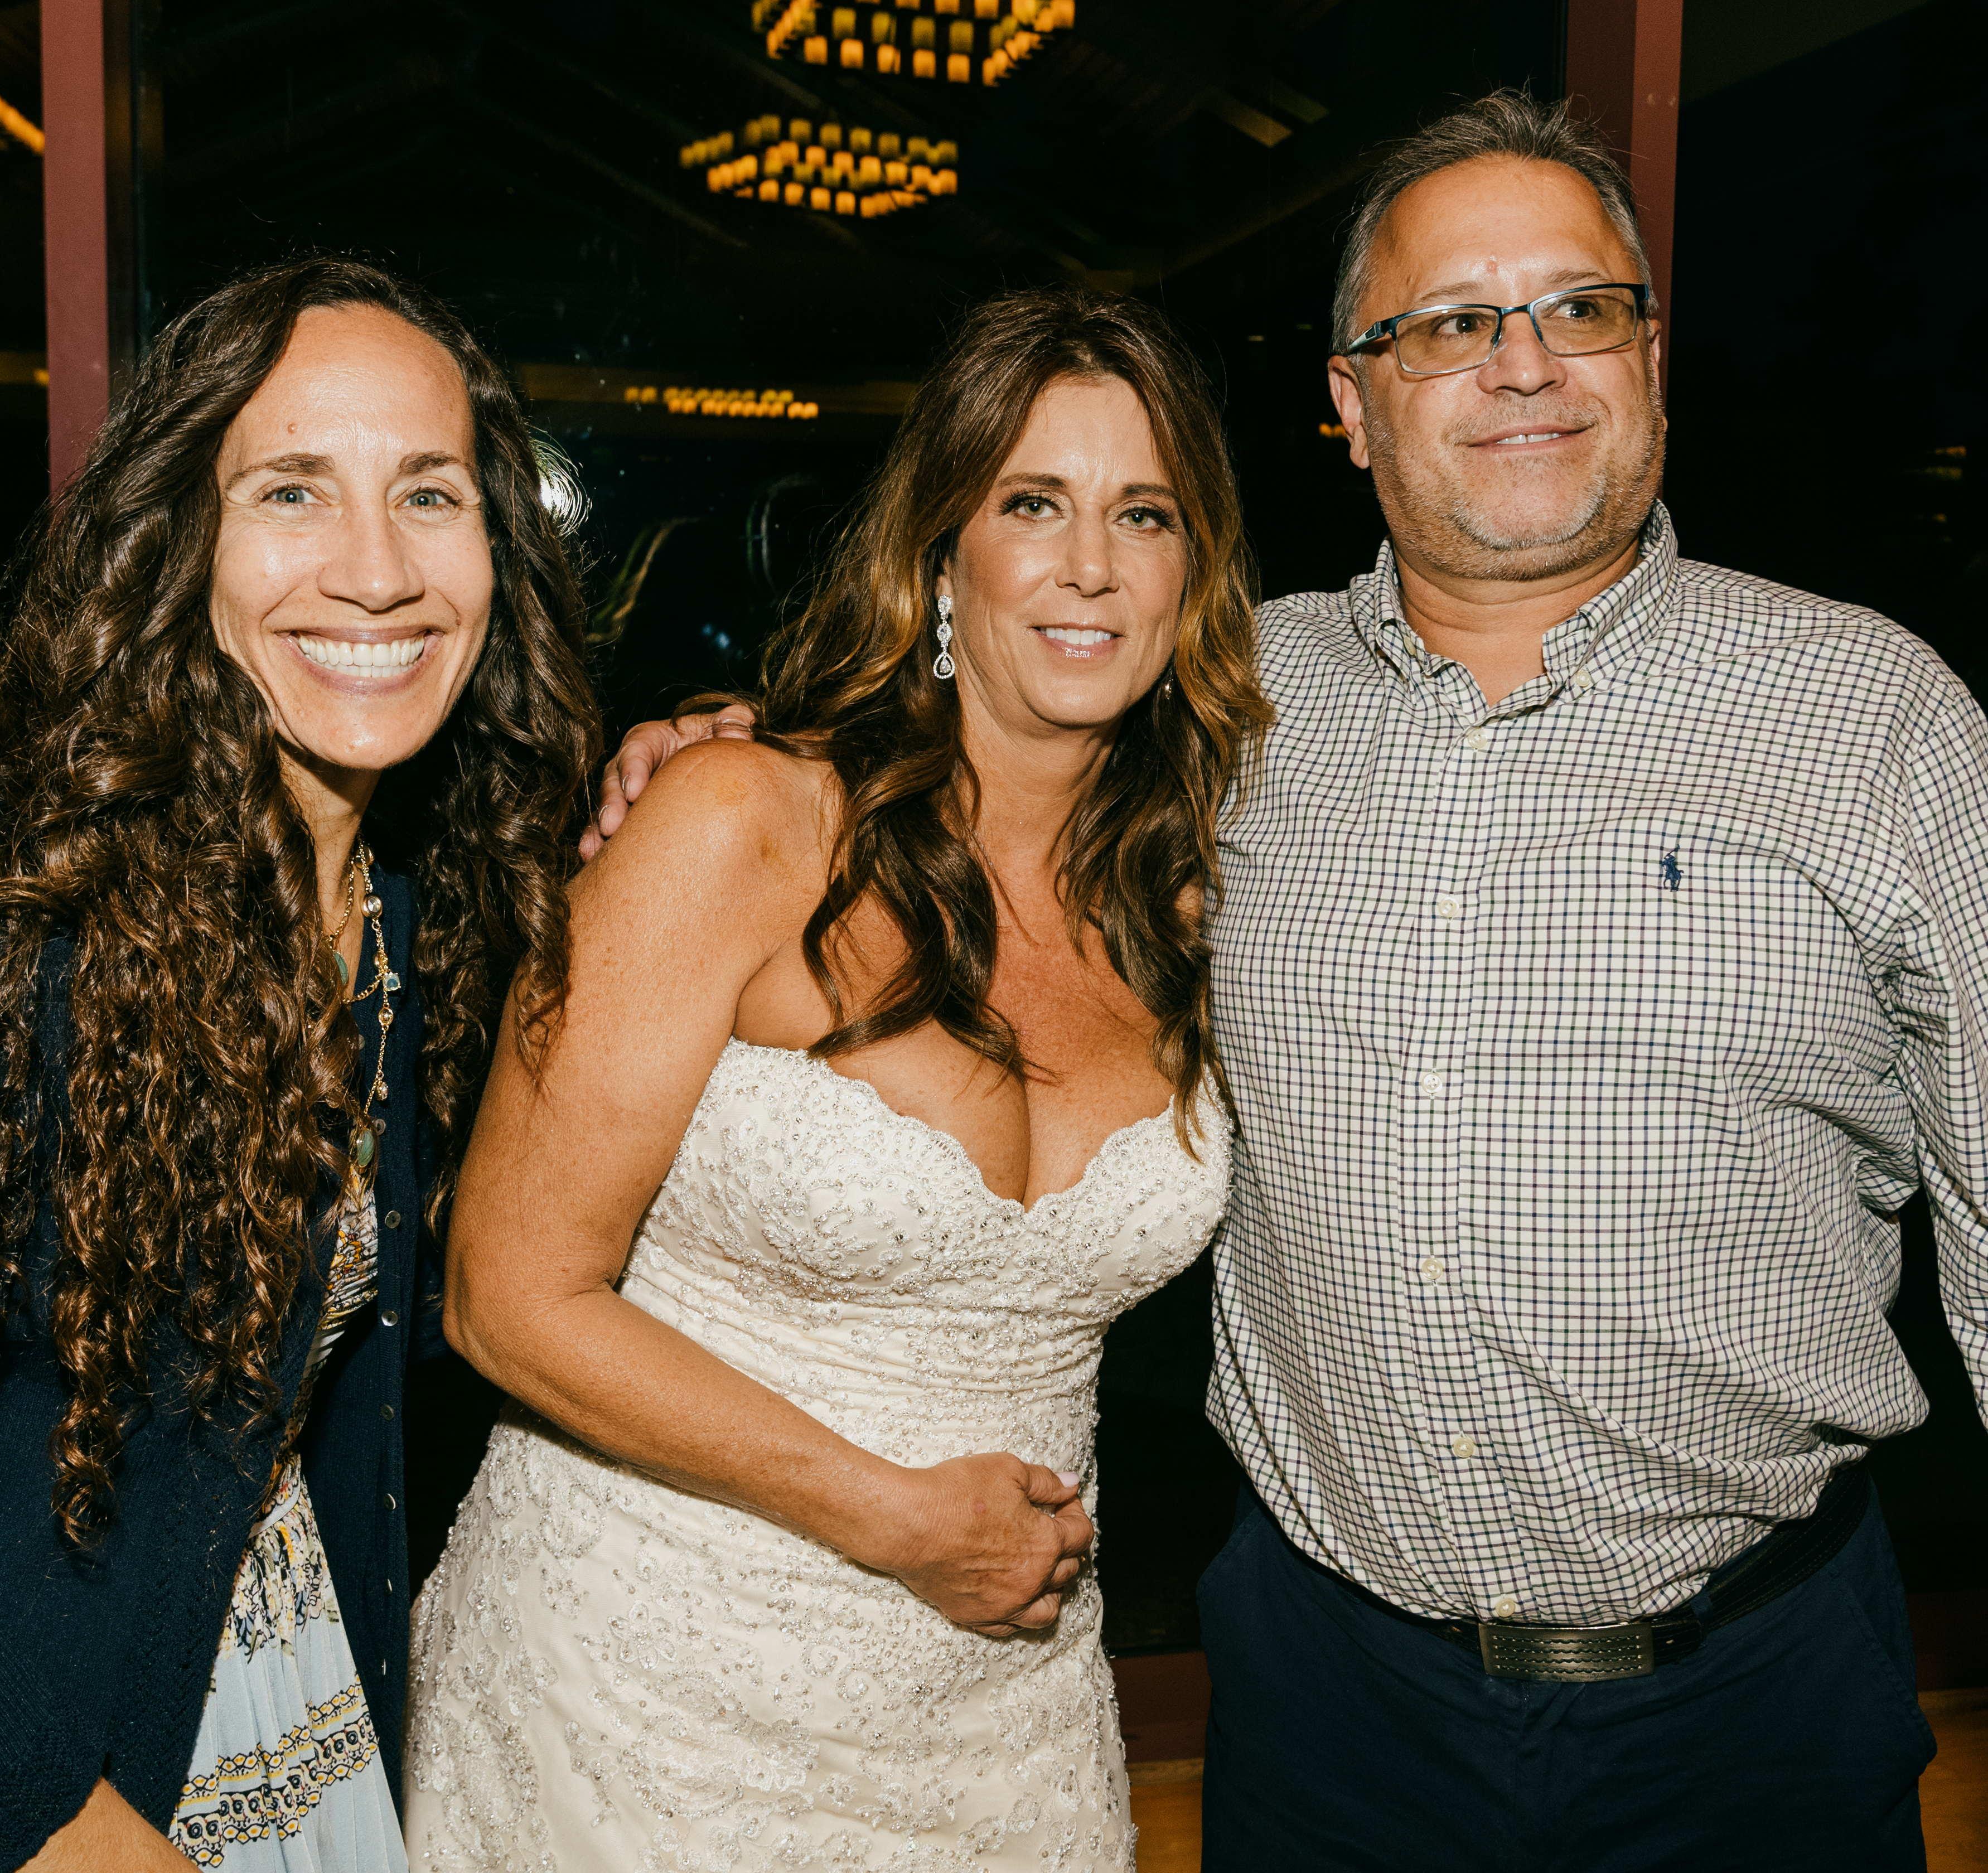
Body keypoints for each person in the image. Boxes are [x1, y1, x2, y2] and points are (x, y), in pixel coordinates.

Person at [601, 91, 1988, 1871]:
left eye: (1581, 308)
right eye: (1450, 325)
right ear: (1350, 400)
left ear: (1652, 355)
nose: (1525, 365)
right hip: (1332, 1707)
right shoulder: (1225, 715)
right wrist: (710, 759)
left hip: (1752, 1705)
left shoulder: (1873, 721)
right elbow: (958, 789)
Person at [402, 288, 1271, 1869]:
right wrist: (888, 1516)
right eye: (1033, 504)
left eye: (1143, 515)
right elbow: (502, 1293)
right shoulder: (742, 824)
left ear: (1192, 572)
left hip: (1001, 1718)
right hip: (637, 1693)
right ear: (944, 550)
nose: (1089, 564)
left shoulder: (1205, 904)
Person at [0, 258, 599, 1873]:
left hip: (273, 1683)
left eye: (428, 495)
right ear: (178, 545)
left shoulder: (407, 908)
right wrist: (59, 1822)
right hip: (36, 1759)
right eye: (293, 489)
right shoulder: (2, 921)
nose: (377, 573)